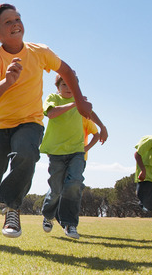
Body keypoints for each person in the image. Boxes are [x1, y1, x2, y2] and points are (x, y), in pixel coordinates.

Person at [0, 3, 96, 246]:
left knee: (26, 153)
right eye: (8, 22)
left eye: (18, 19)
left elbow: (67, 71)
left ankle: (12, 208)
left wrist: (79, 100)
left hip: (30, 122)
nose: (16, 24)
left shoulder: (39, 52)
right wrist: (8, 81)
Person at [40, 74, 107, 239]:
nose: (68, 88)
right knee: (56, 189)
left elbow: (90, 113)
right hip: (56, 152)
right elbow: (51, 113)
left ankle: (70, 224)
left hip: (77, 151)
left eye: (71, 84)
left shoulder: (80, 102)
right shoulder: (53, 98)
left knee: (75, 184)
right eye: (64, 84)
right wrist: (75, 103)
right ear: (57, 87)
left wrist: (102, 126)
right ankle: (48, 215)